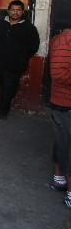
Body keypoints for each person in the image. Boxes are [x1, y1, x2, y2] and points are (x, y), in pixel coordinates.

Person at [0, 0, 40, 119]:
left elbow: (33, 47)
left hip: (16, 64)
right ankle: (2, 103)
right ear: (8, 11)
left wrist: (21, 57)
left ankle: (2, 111)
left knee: (9, 89)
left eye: (18, 10)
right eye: (13, 10)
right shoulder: (1, 24)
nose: (15, 12)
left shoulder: (29, 28)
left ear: (22, 11)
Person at [48, 25, 71, 208]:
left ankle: (60, 179)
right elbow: (58, 73)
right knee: (66, 145)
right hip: (65, 103)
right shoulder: (65, 41)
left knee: (63, 142)